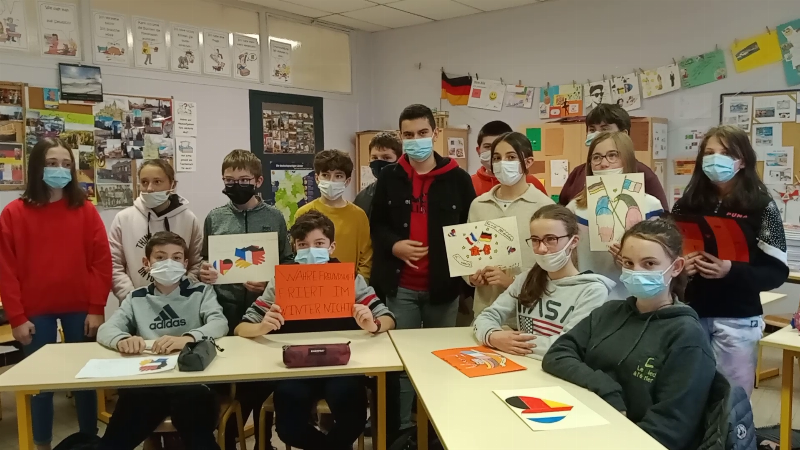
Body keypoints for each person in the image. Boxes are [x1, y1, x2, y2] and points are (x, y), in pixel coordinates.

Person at [542, 218, 716, 450]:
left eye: (649, 263)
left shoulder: (686, 336)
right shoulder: (609, 311)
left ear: (675, 267)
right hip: (587, 428)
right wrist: (606, 388)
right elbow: (558, 354)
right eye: (629, 263)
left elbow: (670, 428)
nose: (636, 272)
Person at [235, 210, 396, 450]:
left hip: (341, 364)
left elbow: (388, 317)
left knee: (352, 412)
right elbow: (241, 328)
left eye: (319, 243)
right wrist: (262, 326)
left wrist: (373, 324)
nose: (311, 250)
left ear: (332, 247)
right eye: (303, 245)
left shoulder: (348, 278)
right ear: (294, 248)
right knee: (288, 426)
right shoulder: (282, 280)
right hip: (296, 366)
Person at [370, 104, 475, 433]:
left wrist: (468, 285)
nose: (416, 140)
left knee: (442, 361)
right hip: (400, 288)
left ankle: (438, 429)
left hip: (443, 290)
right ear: (401, 137)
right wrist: (394, 245)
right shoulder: (389, 177)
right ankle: (401, 432)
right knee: (402, 365)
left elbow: (470, 230)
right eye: (409, 135)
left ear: (435, 134)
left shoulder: (458, 179)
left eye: (422, 133)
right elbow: (377, 225)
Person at [0, 138, 111, 450]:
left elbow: (101, 262)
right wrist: (17, 317)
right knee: (42, 384)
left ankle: (90, 441)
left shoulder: (85, 211)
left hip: (81, 309)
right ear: (37, 167)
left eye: (66, 164)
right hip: (35, 311)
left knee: (87, 380)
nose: (59, 169)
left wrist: (96, 307)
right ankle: (42, 444)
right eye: (51, 163)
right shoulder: (13, 213)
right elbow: (5, 271)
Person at [673, 125, 788, 398]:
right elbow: (667, 256)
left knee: (732, 400)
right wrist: (681, 267)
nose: (715, 158)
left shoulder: (761, 205)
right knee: (687, 394)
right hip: (691, 313)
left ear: (742, 160)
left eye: (725, 153)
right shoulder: (687, 204)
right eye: (709, 152)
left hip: (737, 318)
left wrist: (730, 270)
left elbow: (776, 272)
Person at [97, 232, 228, 450]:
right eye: (160, 257)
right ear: (147, 263)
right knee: (116, 439)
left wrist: (186, 338)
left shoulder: (201, 292)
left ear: (185, 264)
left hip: (191, 380)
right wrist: (123, 340)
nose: (169, 263)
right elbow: (107, 329)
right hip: (149, 381)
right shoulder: (136, 298)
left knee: (198, 435)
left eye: (176, 258)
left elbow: (219, 323)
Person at [199, 149, 293, 449]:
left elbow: (288, 261)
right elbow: (205, 261)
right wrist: (205, 273)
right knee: (228, 378)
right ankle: (229, 433)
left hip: (264, 311)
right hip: (224, 310)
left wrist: (269, 282)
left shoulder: (275, 217)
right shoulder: (214, 217)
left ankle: (261, 438)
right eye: (229, 180)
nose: (236, 185)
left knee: (263, 376)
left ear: (258, 181)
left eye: (243, 179)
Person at [473, 204, 613, 358]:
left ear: (573, 241)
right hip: (521, 365)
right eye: (535, 240)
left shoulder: (592, 291)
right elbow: (487, 316)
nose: (541, 249)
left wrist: (513, 343)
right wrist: (492, 336)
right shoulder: (525, 279)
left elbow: (569, 344)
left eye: (550, 239)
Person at [567, 132, 665, 300]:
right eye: (596, 158)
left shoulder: (651, 205)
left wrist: (633, 259)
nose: (604, 164)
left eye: (612, 156)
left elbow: (661, 260)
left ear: (626, 159)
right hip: (588, 298)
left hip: (634, 298)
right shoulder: (575, 207)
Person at [466, 131, 554, 318]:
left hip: (529, 311)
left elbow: (552, 267)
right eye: (497, 158)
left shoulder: (545, 207)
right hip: (486, 310)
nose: (502, 163)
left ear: (528, 162)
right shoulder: (479, 205)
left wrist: (512, 281)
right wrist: (472, 278)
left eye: (511, 157)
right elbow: (468, 257)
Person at [108, 159, 203, 303]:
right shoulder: (124, 219)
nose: (150, 188)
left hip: (181, 304)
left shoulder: (188, 219)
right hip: (135, 305)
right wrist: (131, 298)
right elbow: (114, 265)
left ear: (172, 185)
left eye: (157, 182)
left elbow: (196, 263)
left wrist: (183, 292)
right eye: (144, 182)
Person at [557, 104, 668, 209]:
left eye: (604, 129)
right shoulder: (578, 173)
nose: (597, 134)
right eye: (592, 130)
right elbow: (561, 211)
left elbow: (663, 218)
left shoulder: (643, 173)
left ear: (624, 134)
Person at [295, 149, 372, 280]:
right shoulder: (303, 213)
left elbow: (366, 258)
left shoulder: (358, 215)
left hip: (349, 285)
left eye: (338, 176)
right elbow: (297, 251)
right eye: (325, 175)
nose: (331, 181)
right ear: (316, 178)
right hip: (311, 282)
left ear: (347, 181)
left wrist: (359, 284)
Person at [470, 120, 547, 196]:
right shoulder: (469, 183)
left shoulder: (531, 183)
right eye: (487, 147)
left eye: (510, 156)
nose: (494, 151)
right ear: (478, 150)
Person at [354, 131, 402, 219]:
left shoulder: (411, 193)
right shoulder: (362, 198)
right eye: (374, 158)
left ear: (399, 160)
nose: (379, 162)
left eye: (386, 158)